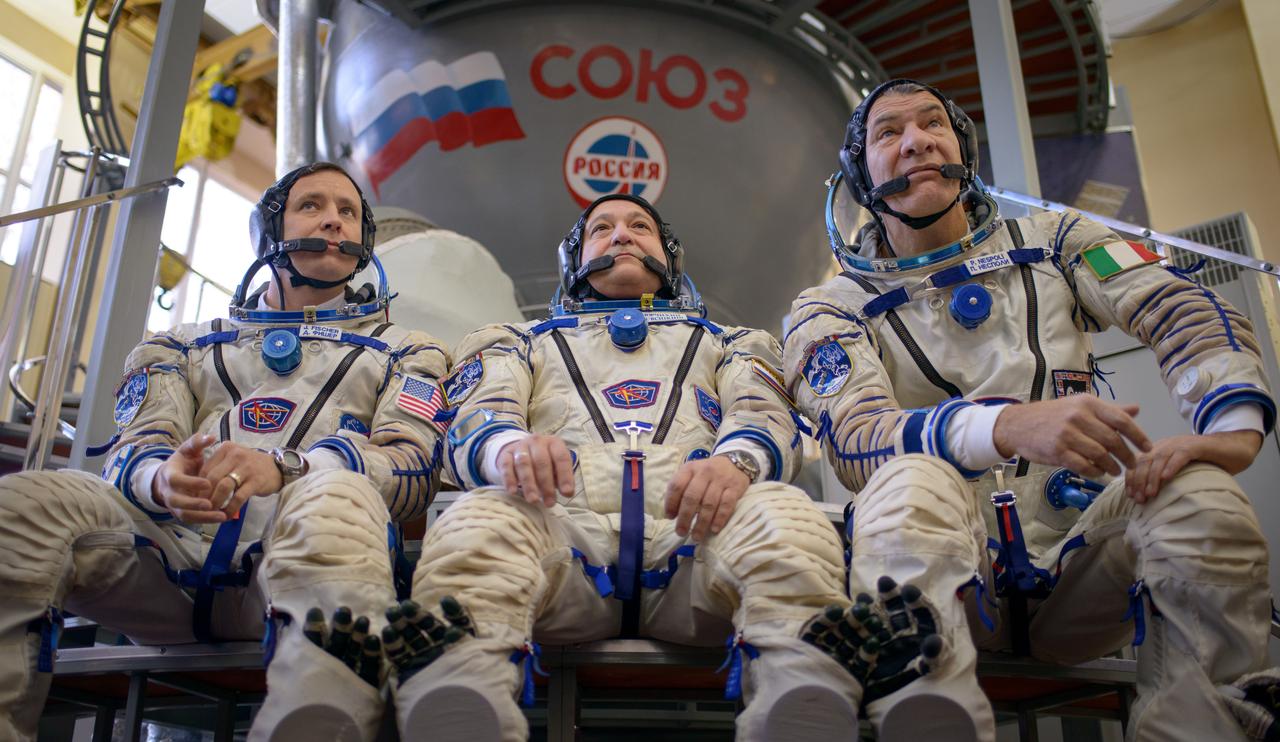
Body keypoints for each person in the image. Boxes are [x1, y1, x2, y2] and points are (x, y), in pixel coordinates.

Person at [785, 78, 1278, 741]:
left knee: (1198, 492)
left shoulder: (1056, 240)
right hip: (944, 579)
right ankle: (928, 711)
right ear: (857, 174)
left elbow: (1177, 307)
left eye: (934, 123)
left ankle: (1202, 723)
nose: (916, 141)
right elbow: (857, 439)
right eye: (888, 132)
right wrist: (1006, 425)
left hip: (1081, 562)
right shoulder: (829, 308)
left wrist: (1230, 429)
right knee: (910, 480)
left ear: (962, 147)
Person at [386, 193, 943, 742]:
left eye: (638, 226)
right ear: (575, 261)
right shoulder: (517, 342)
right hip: (560, 525)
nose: (621, 234)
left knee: (783, 516)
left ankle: (801, 698)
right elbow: (480, 414)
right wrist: (508, 449)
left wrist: (735, 463)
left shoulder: (732, 344)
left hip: (698, 533)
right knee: (480, 519)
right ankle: (460, 700)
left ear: (668, 256)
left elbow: (763, 413)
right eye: (601, 229)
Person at [0, 161, 451, 742]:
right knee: (30, 500)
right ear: (271, 230)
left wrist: (290, 468)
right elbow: (134, 447)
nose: (334, 221)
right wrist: (160, 479)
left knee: (337, 496)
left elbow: (413, 466)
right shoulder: (179, 346)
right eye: (312, 206)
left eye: (349, 213)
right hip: (166, 565)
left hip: (310, 563)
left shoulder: (407, 350)